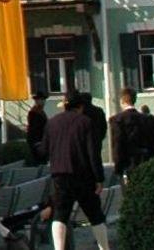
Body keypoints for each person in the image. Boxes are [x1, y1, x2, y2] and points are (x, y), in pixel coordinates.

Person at [42, 90, 113, 250]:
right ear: (80, 107)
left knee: (60, 214)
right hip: (83, 175)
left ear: (64, 106)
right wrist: (99, 178)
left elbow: (44, 150)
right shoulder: (86, 123)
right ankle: (104, 248)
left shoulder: (52, 123)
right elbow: (93, 153)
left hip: (60, 174)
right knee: (95, 214)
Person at [26, 93, 49, 165]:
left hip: (42, 140)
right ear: (36, 101)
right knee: (39, 162)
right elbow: (34, 129)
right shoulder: (34, 113)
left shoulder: (41, 112)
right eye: (41, 100)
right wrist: (37, 143)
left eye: (44, 100)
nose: (43, 102)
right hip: (37, 142)